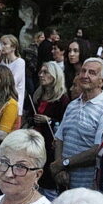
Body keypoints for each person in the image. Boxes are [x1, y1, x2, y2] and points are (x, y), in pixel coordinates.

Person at [52, 58, 103, 191]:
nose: (85, 76)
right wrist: (59, 168)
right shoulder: (72, 105)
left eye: (92, 73)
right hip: (64, 182)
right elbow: (60, 138)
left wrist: (64, 163)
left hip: (87, 187)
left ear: (102, 81)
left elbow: (97, 150)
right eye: (83, 71)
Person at [27, 62, 69, 197]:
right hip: (35, 140)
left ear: (55, 75)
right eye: (40, 72)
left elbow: (65, 123)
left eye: (45, 72)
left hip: (50, 144)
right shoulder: (38, 94)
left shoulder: (62, 99)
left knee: (47, 178)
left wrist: (49, 120)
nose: (41, 75)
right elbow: (29, 116)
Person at [0, 34, 26, 116]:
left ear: (13, 47)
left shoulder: (20, 62)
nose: (2, 46)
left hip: (15, 104)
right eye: (0, 44)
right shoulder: (2, 62)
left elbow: (13, 81)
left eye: (5, 44)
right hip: (2, 102)